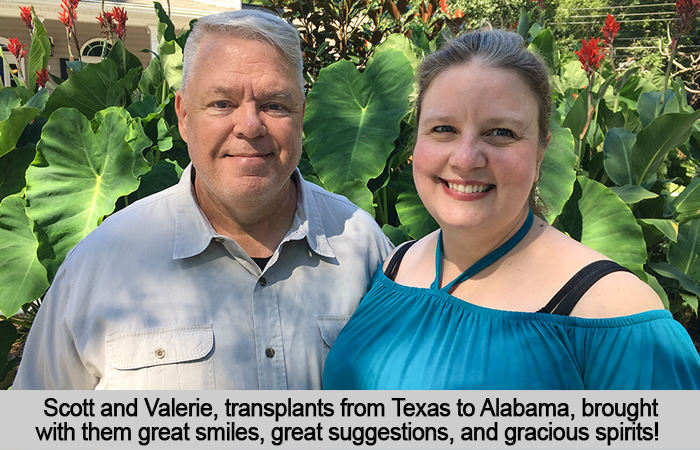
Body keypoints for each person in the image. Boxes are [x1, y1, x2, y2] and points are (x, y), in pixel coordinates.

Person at [14, 9, 392, 390]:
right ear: (182, 116)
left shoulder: (364, 250)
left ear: (302, 114)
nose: (249, 126)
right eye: (222, 104)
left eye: (275, 105)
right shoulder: (100, 266)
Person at [323, 29, 700, 389]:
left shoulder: (612, 311)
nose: (466, 158)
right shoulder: (395, 266)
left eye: (501, 133)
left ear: (540, 153)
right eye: (443, 129)